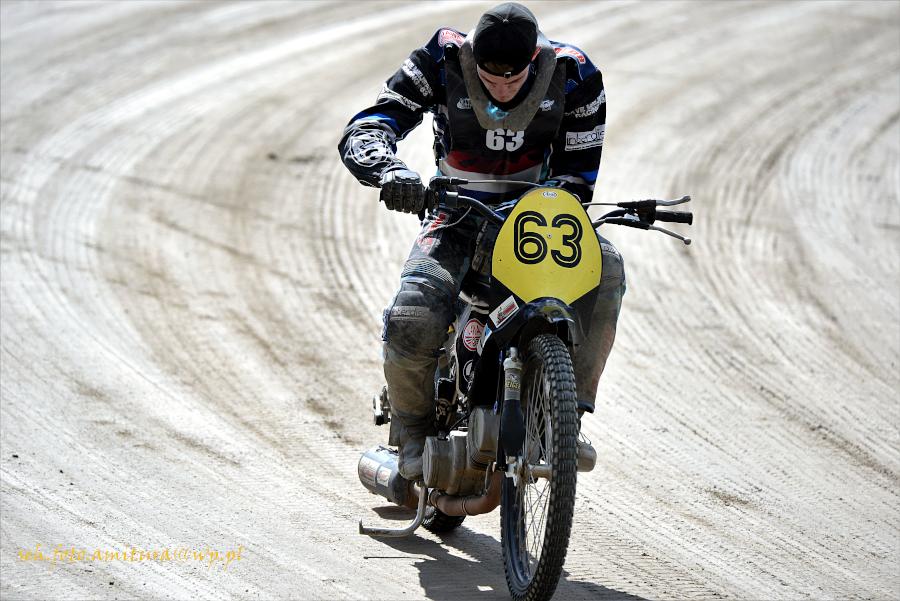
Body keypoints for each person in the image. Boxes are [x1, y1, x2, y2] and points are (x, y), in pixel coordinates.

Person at [338, 2, 625, 480]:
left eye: (515, 80)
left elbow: (578, 176)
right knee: (414, 311)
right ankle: (413, 434)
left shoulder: (575, 74)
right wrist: (389, 171)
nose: (502, 89)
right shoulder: (442, 57)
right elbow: (370, 124)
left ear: (535, 59)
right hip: (456, 214)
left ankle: (566, 417)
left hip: (538, 221)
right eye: (491, 79)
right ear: (473, 58)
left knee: (607, 269)